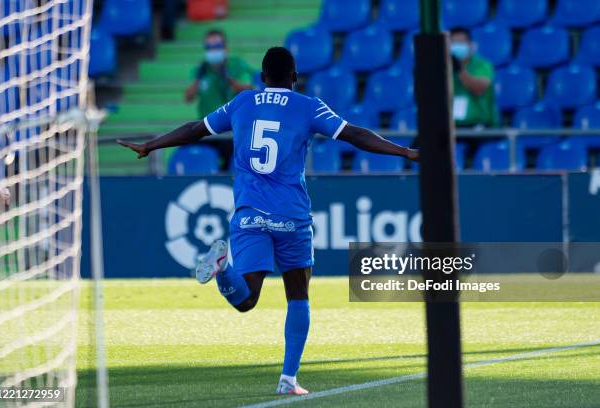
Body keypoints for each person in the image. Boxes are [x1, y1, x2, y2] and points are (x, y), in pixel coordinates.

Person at [119, 47, 418, 395]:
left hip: (250, 215)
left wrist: (152, 145)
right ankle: (288, 379)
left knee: (246, 300)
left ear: (262, 78)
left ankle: (223, 271)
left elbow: (194, 129)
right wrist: (405, 152)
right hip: (291, 215)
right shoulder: (308, 106)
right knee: (298, 294)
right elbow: (355, 134)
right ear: (294, 77)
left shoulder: (243, 102)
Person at [184, 29, 255, 119]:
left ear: (226, 48)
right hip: (208, 125)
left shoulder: (237, 65)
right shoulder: (201, 69)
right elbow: (188, 98)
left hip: (233, 123)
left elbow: (249, 90)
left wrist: (228, 78)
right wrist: (198, 79)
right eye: (208, 47)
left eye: (217, 46)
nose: (213, 50)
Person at [450, 26, 499, 128]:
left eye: (461, 42)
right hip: (452, 125)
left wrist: (460, 68)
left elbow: (479, 88)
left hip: (479, 124)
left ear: (470, 45)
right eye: (453, 43)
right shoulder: (445, 67)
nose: (457, 46)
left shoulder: (482, 65)